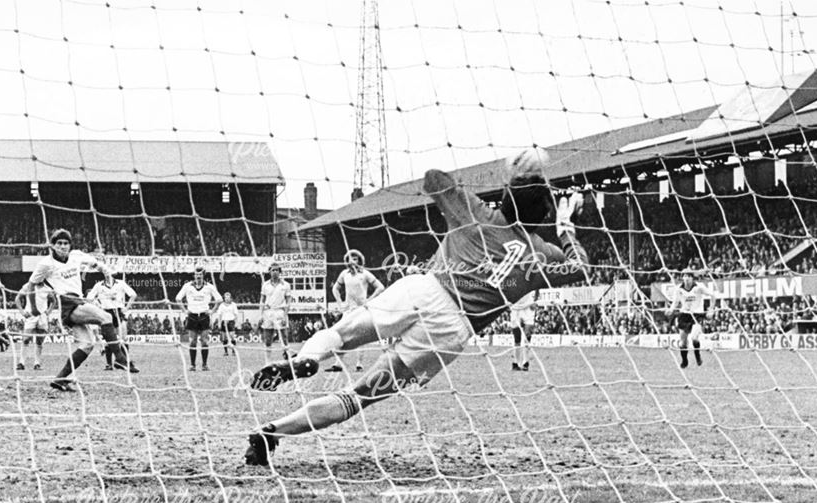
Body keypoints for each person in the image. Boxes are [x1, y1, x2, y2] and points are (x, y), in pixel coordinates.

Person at [245, 148, 589, 466]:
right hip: (450, 331)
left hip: (425, 289)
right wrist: (565, 225)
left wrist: (508, 179)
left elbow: (433, 178)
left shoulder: (476, 214)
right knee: (358, 396)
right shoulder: (543, 255)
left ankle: (308, 358)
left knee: (340, 334)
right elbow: (581, 267)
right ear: (545, 213)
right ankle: (270, 433)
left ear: (507, 198)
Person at [18, 229, 137, 393]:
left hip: (78, 301)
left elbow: (95, 263)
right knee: (106, 317)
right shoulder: (46, 264)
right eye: (58, 243)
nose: (62, 246)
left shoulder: (76, 256)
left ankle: (60, 379)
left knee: (88, 345)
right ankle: (120, 358)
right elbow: (31, 284)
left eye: (65, 243)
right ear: (52, 246)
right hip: (68, 304)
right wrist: (33, 307)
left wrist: (105, 270)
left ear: (70, 245)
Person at [326, 249, 384, 373]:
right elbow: (335, 288)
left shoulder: (365, 274)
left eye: (355, 258)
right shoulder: (344, 274)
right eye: (350, 259)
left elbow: (380, 287)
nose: (353, 261)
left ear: (360, 260)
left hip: (362, 310)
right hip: (348, 310)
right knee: (340, 335)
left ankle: (359, 364)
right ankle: (338, 364)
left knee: (361, 336)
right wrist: (340, 303)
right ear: (347, 261)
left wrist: (369, 300)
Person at [665, 269, 718, 368]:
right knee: (683, 342)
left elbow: (712, 295)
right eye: (685, 276)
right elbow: (675, 302)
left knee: (694, 338)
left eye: (689, 276)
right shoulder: (678, 289)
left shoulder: (699, 287)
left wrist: (711, 310)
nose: (687, 278)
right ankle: (685, 360)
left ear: (692, 278)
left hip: (697, 315)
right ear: (682, 277)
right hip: (684, 315)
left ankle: (697, 355)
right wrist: (671, 310)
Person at [174, 266, 222, 371]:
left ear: (203, 275)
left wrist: (212, 311)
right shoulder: (187, 286)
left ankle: (204, 365)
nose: (198, 276)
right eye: (196, 274)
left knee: (204, 341)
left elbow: (219, 299)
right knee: (192, 342)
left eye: (200, 275)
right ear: (194, 275)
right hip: (192, 316)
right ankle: (192, 365)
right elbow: (178, 298)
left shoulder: (209, 287)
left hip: (204, 316)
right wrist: (184, 310)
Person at [86, 274, 138, 370]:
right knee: (109, 340)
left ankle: (124, 362)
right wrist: (97, 307)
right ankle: (109, 364)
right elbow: (89, 298)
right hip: (106, 313)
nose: (107, 274)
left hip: (118, 312)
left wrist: (126, 308)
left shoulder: (120, 283)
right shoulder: (99, 285)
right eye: (105, 272)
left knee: (123, 339)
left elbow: (133, 295)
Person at [15, 284, 55, 371]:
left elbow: (53, 301)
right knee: (26, 338)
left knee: (39, 341)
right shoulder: (27, 286)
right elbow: (17, 298)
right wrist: (22, 312)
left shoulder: (47, 289)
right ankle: (21, 363)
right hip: (30, 316)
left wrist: (48, 312)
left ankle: (37, 363)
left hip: (42, 317)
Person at [259, 264, 292, 361]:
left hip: (280, 311)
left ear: (280, 272)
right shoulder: (265, 284)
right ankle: (267, 360)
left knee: (284, 336)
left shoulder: (286, 285)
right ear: (269, 272)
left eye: (277, 270)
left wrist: (285, 315)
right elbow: (262, 300)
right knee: (268, 338)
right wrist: (261, 314)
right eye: (273, 270)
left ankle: (287, 357)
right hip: (268, 312)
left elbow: (288, 300)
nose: (275, 272)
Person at [509, 290, 538, 371]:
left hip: (528, 307)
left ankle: (525, 362)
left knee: (527, 337)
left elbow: (538, 286)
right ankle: (516, 363)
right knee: (517, 339)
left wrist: (535, 300)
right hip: (515, 308)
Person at [215, 292, 240, 356]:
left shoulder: (233, 305)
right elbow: (219, 315)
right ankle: (225, 351)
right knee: (224, 338)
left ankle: (233, 351)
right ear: (224, 298)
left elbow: (236, 314)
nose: (227, 299)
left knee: (232, 336)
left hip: (231, 321)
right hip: (224, 322)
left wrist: (237, 322)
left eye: (228, 298)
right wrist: (219, 323)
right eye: (226, 298)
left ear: (230, 298)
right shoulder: (221, 305)